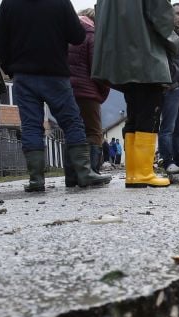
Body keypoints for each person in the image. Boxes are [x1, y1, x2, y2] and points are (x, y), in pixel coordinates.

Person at [0, 0, 109, 192]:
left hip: (24, 76)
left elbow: (0, 41)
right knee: (72, 122)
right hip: (56, 75)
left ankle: (36, 179)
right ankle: (84, 172)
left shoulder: (9, 3)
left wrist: (10, 69)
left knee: (31, 126)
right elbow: (77, 36)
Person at [94, 0, 179, 188]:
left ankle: (133, 173)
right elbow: (162, 18)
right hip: (147, 56)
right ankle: (144, 172)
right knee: (149, 115)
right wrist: (175, 41)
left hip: (120, 59)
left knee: (134, 114)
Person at [65, 7, 111, 187]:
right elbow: (98, 69)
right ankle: (92, 173)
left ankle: (71, 176)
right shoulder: (92, 35)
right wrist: (102, 92)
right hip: (88, 92)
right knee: (93, 133)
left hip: (66, 92)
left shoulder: (65, 35)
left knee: (73, 131)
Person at [159, 2, 179, 175]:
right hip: (172, 87)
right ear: (170, 15)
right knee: (167, 128)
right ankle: (168, 162)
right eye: (177, 13)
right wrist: (166, 82)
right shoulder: (165, 35)